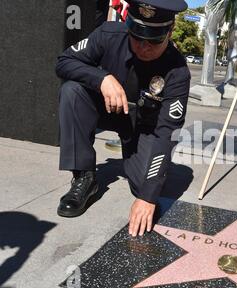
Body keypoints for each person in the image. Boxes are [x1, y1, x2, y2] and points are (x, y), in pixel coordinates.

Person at [55, 0, 190, 238]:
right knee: (72, 90)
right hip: (103, 109)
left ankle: (131, 155)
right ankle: (84, 176)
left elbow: (166, 134)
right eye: (137, 37)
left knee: (145, 185)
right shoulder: (108, 34)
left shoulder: (177, 71)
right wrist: (101, 78)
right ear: (128, 27)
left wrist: (147, 197)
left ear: (169, 32)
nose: (143, 47)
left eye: (154, 40)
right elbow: (64, 62)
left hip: (141, 127)